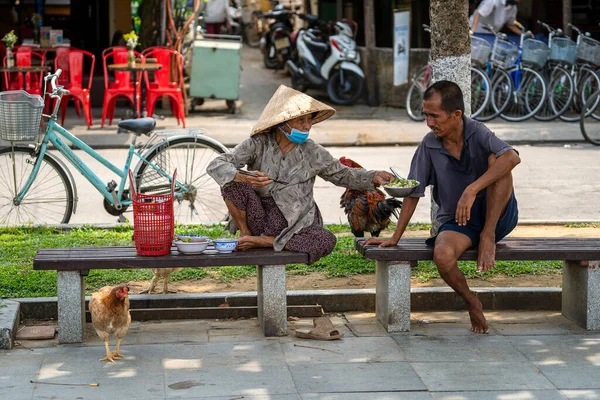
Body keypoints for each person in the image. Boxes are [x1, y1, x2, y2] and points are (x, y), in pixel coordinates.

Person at [366, 80, 520, 334]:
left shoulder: (478, 132)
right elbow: (413, 192)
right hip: (459, 222)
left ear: (456, 114)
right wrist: (395, 237)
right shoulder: (429, 144)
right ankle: (472, 302)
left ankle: (488, 234)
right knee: (443, 256)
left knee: (500, 159)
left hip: (498, 217)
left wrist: (472, 190)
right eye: (426, 115)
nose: (429, 122)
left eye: (434, 116)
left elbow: (513, 157)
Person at [207, 85, 395, 264]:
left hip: (296, 224)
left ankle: (264, 241)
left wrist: (373, 176)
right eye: (301, 120)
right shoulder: (258, 143)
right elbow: (218, 164)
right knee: (231, 182)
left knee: (325, 239)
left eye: (310, 120)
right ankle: (246, 235)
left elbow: (342, 174)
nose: (307, 126)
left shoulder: (313, 151)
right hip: (260, 218)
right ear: (283, 121)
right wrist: (242, 177)